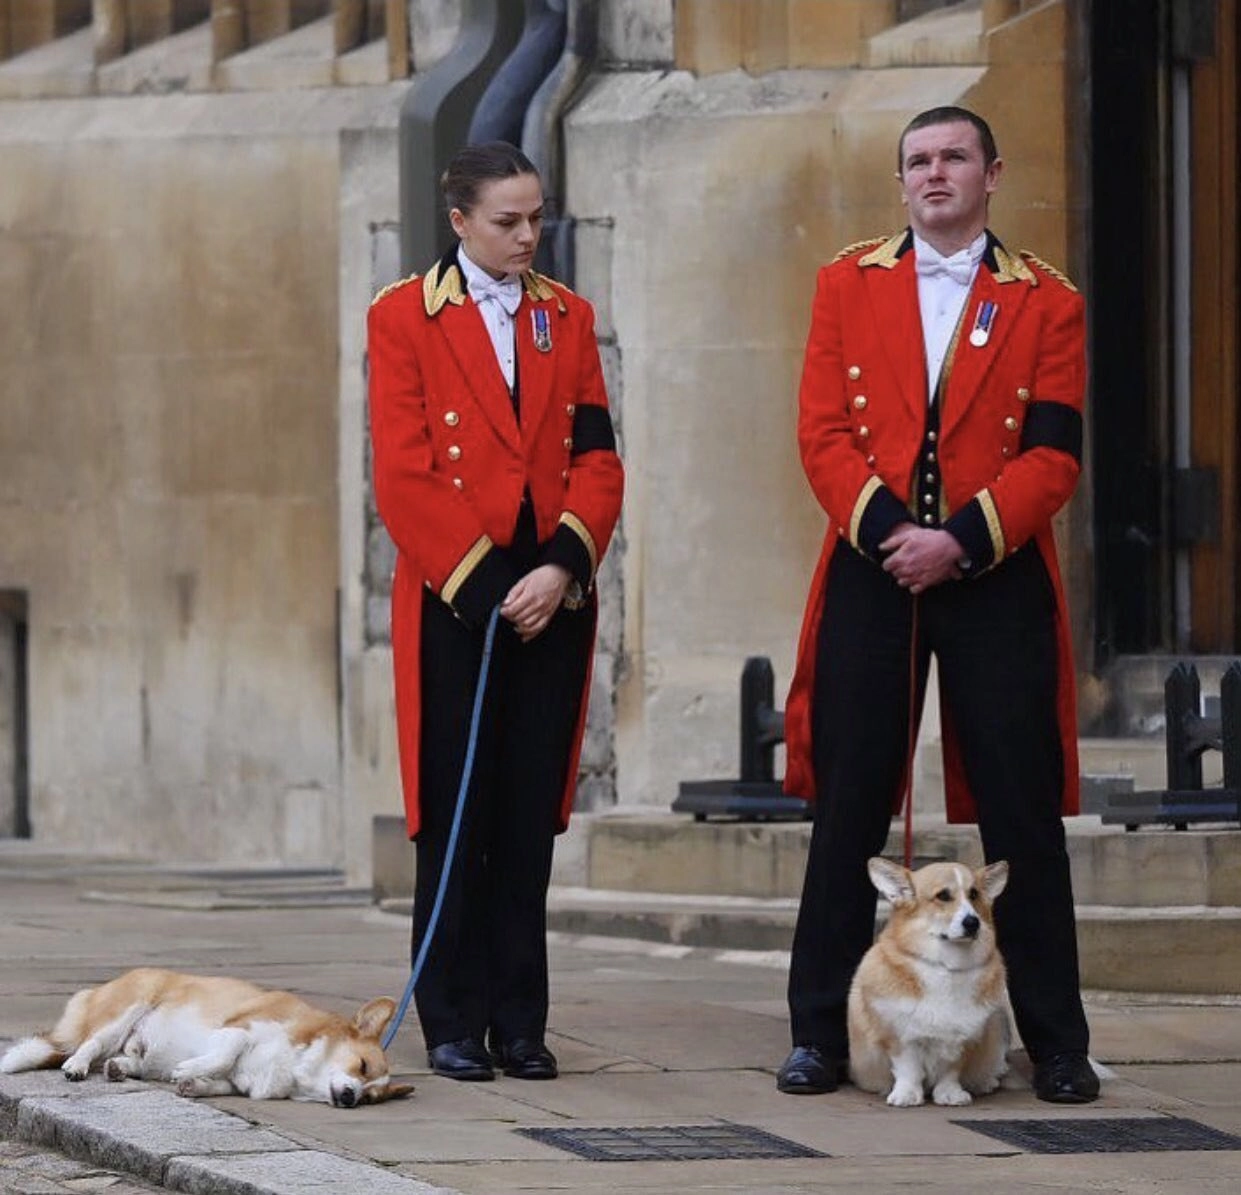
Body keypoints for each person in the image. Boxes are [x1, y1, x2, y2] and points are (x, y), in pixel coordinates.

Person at [777, 106, 1098, 1104]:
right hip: (872, 567)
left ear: (990, 174)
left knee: (1019, 819)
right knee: (849, 808)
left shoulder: (1045, 299)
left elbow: (1053, 453)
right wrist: (890, 536)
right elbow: (820, 432)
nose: (933, 174)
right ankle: (820, 1036)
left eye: (953, 157)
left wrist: (957, 539)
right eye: (916, 160)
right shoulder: (845, 281)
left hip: (991, 570)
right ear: (901, 179)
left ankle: (1055, 1040)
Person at [366, 141, 623, 1083]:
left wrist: (560, 565)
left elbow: (597, 454)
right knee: (455, 810)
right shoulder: (404, 317)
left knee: (524, 816)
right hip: (456, 591)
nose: (528, 235)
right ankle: (449, 1018)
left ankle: (521, 1021)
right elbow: (401, 471)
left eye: (536, 217)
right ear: (460, 220)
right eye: (508, 220)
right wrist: (482, 587)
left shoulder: (567, 316)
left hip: (549, 588)